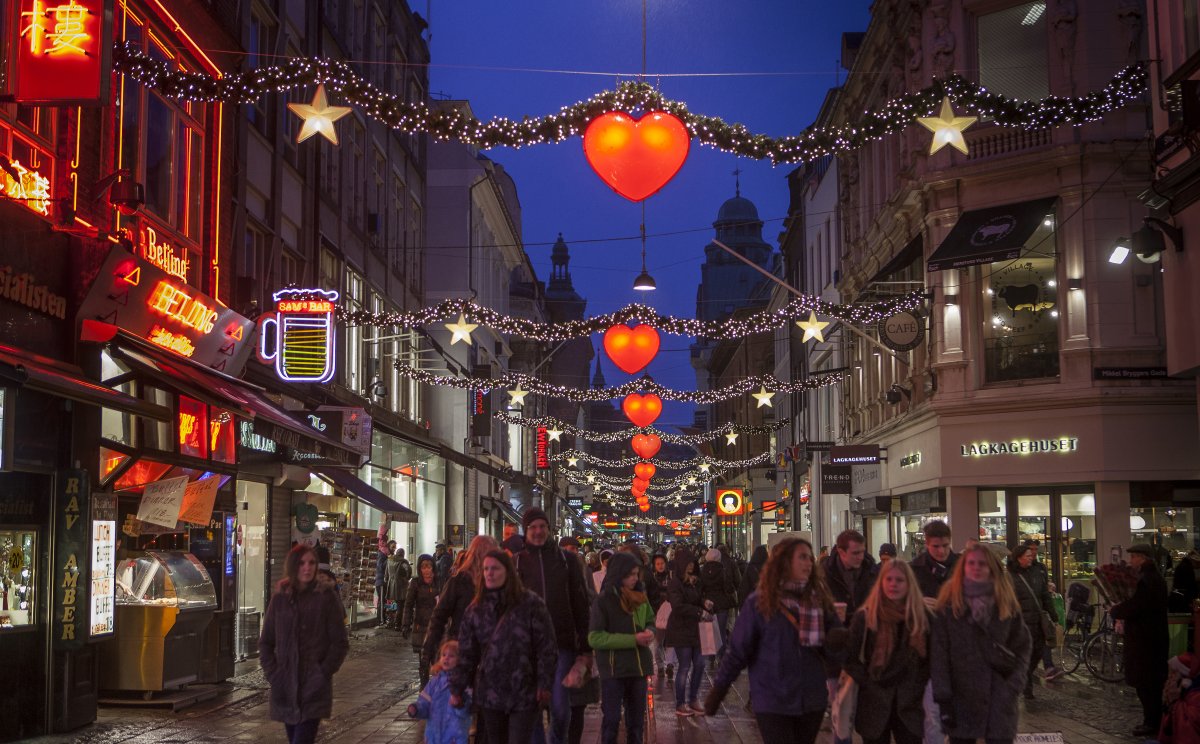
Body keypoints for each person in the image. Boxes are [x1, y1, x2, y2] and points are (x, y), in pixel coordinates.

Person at [704, 537, 845, 744]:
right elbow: (738, 651)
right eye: (802, 557)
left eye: (809, 557)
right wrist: (719, 690)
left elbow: (831, 648)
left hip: (811, 698)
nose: (808, 562)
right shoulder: (760, 602)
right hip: (772, 697)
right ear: (785, 562)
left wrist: (838, 638)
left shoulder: (819, 600)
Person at [449, 549, 556, 744]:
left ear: (508, 572)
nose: (489, 573)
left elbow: (546, 647)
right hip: (491, 692)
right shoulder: (476, 609)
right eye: (486, 569)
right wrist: (457, 688)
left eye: (495, 568)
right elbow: (466, 653)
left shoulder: (530, 604)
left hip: (524, 690)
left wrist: (545, 684)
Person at [930, 544, 1030, 744]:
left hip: (999, 694)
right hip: (961, 697)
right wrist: (943, 696)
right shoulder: (950, 604)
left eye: (982, 564)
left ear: (991, 568)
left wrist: (1014, 684)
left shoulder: (1005, 602)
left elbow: (1022, 646)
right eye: (971, 563)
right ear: (963, 567)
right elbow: (939, 654)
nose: (976, 567)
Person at [514, 507, 591, 744]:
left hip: (562, 644)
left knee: (560, 708)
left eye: (542, 527)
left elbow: (580, 603)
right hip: (528, 647)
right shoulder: (517, 562)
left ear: (549, 529)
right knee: (532, 707)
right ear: (526, 531)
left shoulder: (566, 560)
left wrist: (585, 647)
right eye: (533, 527)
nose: (538, 532)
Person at [259, 544, 349, 744]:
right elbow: (266, 642)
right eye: (302, 563)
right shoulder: (280, 599)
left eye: (311, 563)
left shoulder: (326, 598)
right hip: (286, 686)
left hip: (313, 688)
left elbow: (340, 643)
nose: (307, 568)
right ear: (293, 566)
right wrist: (275, 674)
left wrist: (322, 672)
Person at [845, 559, 930, 744]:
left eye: (899, 580)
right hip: (874, 702)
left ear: (909, 584)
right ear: (881, 582)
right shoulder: (866, 616)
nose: (893, 584)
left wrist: (918, 682)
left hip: (909, 703)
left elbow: (930, 659)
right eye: (889, 579)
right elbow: (850, 657)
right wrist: (867, 681)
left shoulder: (921, 617)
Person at [588, 551, 655, 744]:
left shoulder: (640, 597)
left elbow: (650, 619)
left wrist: (650, 631)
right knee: (612, 719)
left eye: (636, 574)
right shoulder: (604, 601)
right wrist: (632, 639)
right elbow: (595, 638)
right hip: (613, 669)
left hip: (639, 667)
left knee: (636, 724)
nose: (634, 578)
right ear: (619, 574)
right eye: (630, 574)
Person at [1112, 543, 1170, 738]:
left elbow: (1137, 606)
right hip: (1152, 639)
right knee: (1150, 684)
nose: (1131, 561)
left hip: (1145, 641)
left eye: (1134, 557)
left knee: (1147, 685)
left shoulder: (1146, 580)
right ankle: (1153, 721)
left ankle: (1152, 723)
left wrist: (1116, 610)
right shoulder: (1154, 578)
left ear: (1142, 558)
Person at [911, 520, 958, 744]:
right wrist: (917, 603)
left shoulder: (962, 567)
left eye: (945, 546)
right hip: (927, 651)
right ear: (926, 544)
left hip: (958, 650)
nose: (941, 552)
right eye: (935, 547)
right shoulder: (915, 569)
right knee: (932, 716)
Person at [423, 535, 499, 662]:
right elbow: (440, 614)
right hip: (462, 648)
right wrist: (429, 647)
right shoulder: (459, 581)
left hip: (489, 650)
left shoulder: (498, 582)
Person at [1008, 543, 1062, 697]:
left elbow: (1044, 594)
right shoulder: (1011, 576)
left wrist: (1053, 614)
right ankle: (1027, 684)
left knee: (1039, 651)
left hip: (1038, 620)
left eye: (1032, 555)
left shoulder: (1036, 572)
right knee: (1026, 652)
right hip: (1021, 622)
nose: (1031, 557)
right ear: (1019, 558)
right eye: (1028, 556)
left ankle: (1025, 675)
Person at [664, 547, 706, 716]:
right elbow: (678, 606)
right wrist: (698, 611)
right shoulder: (675, 583)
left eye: (692, 563)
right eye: (688, 564)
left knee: (700, 664)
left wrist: (704, 603)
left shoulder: (693, 581)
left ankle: (693, 698)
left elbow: (696, 599)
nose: (690, 566)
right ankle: (681, 703)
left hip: (695, 629)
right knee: (684, 666)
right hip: (681, 629)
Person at [407, 639, 472, 744]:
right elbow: (424, 703)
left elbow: (467, 711)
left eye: (451, 656)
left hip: (454, 738)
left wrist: (459, 704)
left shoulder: (463, 683)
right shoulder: (434, 683)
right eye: (444, 655)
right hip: (434, 736)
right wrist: (416, 709)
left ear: (460, 660)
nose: (446, 658)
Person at [403, 554, 440, 688]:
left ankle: (437, 690)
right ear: (419, 568)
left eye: (429, 566)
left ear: (433, 568)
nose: (426, 570)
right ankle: (424, 689)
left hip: (437, 628)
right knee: (424, 661)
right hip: (421, 627)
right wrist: (406, 624)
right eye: (423, 567)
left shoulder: (439, 582)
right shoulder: (416, 583)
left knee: (437, 660)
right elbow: (408, 604)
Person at [821, 529, 878, 615]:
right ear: (841, 552)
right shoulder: (824, 574)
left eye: (862, 552)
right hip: (835, 626)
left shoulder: (871, 571)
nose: (861, 557)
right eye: (855, 553)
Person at [700, 546, 738, 660]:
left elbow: (700, 588)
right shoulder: (723, 570)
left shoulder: (702, 570)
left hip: (707, 604)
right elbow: (728, 587)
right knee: (721, 631)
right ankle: (721, 656)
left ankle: (710, 655)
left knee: (709, 629)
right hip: (722, 604)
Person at [649, 553, 672, 677]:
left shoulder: (671, 577)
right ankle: (660, 665)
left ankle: (669, 664)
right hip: (657, 613)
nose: (660, 566)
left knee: (670, 641)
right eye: (658, 564)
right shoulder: (651, 578)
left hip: (671, 612)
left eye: (662, 563)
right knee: (657, 641)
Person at [385, 546, 412, 631]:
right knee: (401, 606)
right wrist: (407, 578)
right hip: (400, 586)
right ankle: (398, 625)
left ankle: (390, 623)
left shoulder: (390, 560)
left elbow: (386, 574)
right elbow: (408, 569)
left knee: (392, 605)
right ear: (403, 554)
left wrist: (387, 580)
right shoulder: (402, 562)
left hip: (391, 585)